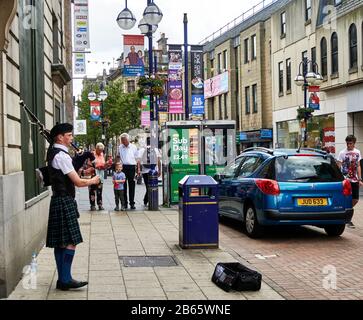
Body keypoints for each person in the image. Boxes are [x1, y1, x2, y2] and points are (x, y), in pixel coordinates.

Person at [45, 123, 100, 290]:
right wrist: (92, 181)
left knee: (61, 243)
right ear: (60, 137)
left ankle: (63, 279)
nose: (71, 138)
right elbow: (77, 181)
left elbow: (67, 174)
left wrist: (77, 159)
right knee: (70, 241)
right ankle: (65, 279)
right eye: (69, 135)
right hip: (64, 200)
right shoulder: (61, 156)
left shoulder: (55, 153)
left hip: (59, 199)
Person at [337, 135, 363, 228]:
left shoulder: (357, 152)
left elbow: (358, 165)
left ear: (354, 143)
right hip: (346, 179)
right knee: (347, 198)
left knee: (355, 199)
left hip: (355, 179)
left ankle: (346, 211)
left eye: (350, 143)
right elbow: (339, 166)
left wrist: (360, 179)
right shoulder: (342, 153)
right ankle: (348, 219)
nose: (349, 145)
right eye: (347, 143)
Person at [118, 133, 141, 210]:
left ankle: (132, 203)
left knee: (132, 186)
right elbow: (118, 157)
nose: (123, 142)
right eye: (122, 141)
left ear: (127, 140)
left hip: (132, 167)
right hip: (123, 167)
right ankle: (124, 204)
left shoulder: (134, 147)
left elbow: (137, 159)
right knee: (123, 186)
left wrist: (138, 169)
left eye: (124, 140)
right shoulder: (120, 147)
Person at [138, 137, 161, 207]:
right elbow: (158, 161)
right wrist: (159, 170)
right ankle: (149, 201)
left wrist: (138, 170)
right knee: (153, 186)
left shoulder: (142, 150)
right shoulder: (156, 150)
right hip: (153, 171)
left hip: (145, 171)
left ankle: (147, 201)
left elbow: (138, 161)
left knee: (148, 186)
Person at [89, 143, 107, 211]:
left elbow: (104, 164)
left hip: (101, 175)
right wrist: (97, 166)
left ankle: (100, 204)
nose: (100, 151)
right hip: (93, 174)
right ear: (96, 149)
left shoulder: (102, 154)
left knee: (99, 191)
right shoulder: (92, 154)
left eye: (102, 150)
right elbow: (89, 164)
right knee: (92, 191)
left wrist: (106, 165)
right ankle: (92, 205)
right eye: (99, 150)